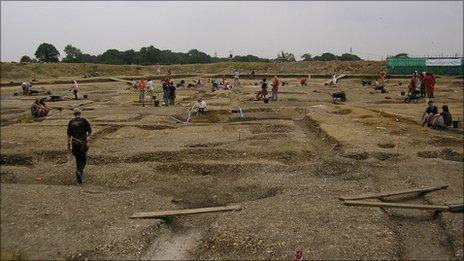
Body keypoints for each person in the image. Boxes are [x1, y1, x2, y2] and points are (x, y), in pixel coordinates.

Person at [67, 108, 92, 184]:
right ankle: (79, 172)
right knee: (83, 159)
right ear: (80, 113)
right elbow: (89, 130)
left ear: (74, 114)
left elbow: (69, 135)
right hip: (82, 143)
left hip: (74, 143)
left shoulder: (71, 122)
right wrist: (87, 136)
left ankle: (78, 171)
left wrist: (68, 145)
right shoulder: (84, 121)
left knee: (78, 159)